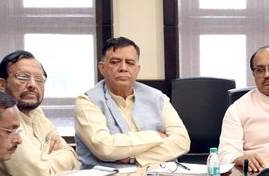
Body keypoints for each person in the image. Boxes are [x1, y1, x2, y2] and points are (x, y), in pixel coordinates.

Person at [75, 36, 190, 168]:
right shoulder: (87, 101)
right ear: (102, 68)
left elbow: (182, 141)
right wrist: (155, 136)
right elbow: (105, 148)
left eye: (130, 63)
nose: (123, 68)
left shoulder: (157, 97)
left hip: (157, 175)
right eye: (115, 62)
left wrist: (134, 158)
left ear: (137, 69)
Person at [0, 50, 80, 176]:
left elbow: (72, 157)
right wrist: (52, 155)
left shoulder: (36, 113)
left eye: (39, 79)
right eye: (23, 77)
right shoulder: (0, 118)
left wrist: (45, 160)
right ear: (1, 84)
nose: (32, 84)